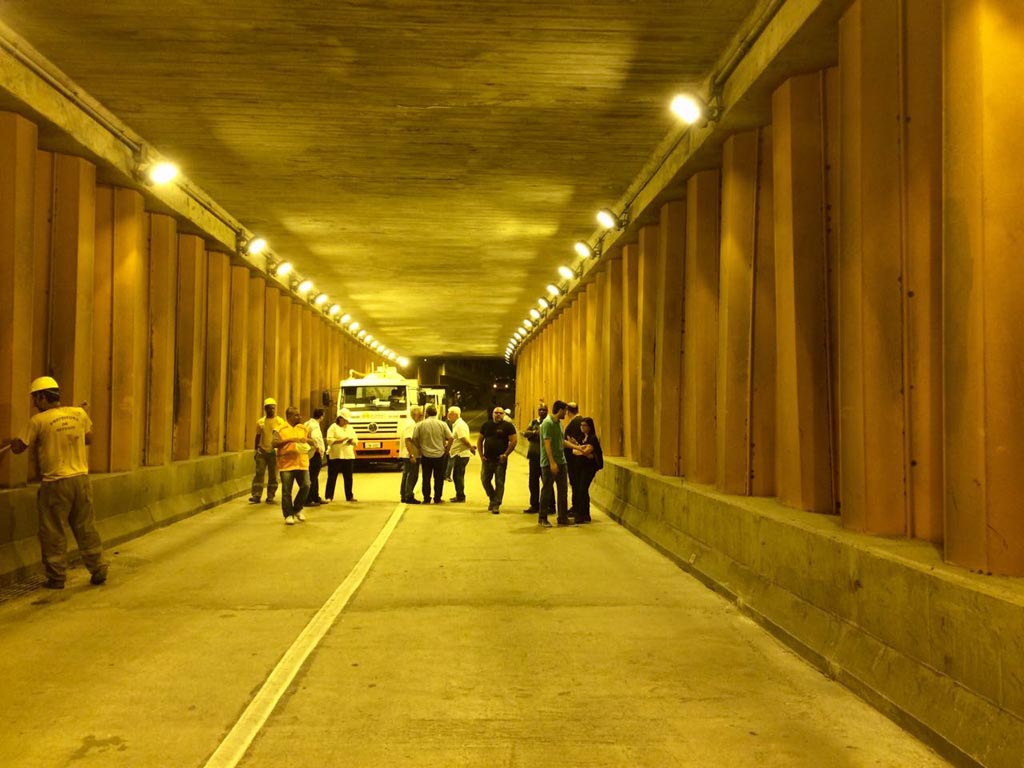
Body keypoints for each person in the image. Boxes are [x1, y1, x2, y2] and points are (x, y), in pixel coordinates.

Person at [0, 376, 108, 589]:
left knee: (52, 530)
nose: (34, 403)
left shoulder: (38, 421)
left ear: (42, 397)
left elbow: (19, 448)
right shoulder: (78, 413)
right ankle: (98, 567)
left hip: (55, 483)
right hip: (81, 480)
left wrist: (9, 442)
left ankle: (57, 577)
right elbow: (89, 438)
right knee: (86, 526)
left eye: (35, 398)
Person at [273, 406, 315, 525]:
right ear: (289, 416)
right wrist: (290, 440)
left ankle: (297, 508)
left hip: (302, 463)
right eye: (296, 415)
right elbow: (274, 443)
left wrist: (308, 441)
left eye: (299, 414)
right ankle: (288, 514)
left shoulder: (303, 428)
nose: (299, 417)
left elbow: (311, 441)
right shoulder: (280, 429)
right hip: (287, 465)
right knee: (287, 491)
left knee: (306, 486)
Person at [476, 405, 518, 514]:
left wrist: (505, 454)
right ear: (492, 414)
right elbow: (480, 440)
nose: (498, 414)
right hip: (487, 459)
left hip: (500, 460)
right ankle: (492, 497)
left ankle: (496, 504)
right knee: (485, 480)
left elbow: (514, 441)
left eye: (500, 413)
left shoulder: (508, 426)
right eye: (496, 413)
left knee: (499, 482)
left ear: (503, 415)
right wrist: (481, 455)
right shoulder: (486, 425)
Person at [411, 404, 452, 504]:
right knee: (438, 478)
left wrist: (419, 447)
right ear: (436, 413)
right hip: (439, 455)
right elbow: (451, 437)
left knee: (426, 478)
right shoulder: (442, 424)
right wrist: (447, 450)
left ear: (426, 413)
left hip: (426, 455)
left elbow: (414, 438)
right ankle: (437, 498)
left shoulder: (420, 424)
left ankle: (426, 498)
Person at [565, 416, 603, 524]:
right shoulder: (581, 437)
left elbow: (587, 451)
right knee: (580, 489)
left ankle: (582, 514)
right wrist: (580, 447)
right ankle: (584, 513)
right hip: (580, 467)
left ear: (589, 427)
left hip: (589, 468)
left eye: (584, 425)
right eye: (581, 425)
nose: (582, 427)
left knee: (583, 489)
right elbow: (575, 451)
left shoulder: (592, 438)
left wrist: (579, 447)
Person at [539, 400, 571, 527]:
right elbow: (547, 444)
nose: (566, 413)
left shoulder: (559, 424)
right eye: (565, 411)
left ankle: (562, 517)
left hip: (561, 461)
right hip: (549, 463)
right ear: (560, 410)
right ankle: (542, 518)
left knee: (563, 490)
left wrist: (578, 447)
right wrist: (552, 463)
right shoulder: (548, 423)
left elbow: (561, 441)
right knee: (547, 490)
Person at [250, 397, 286, 504]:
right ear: (265, 409)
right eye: (269, 408)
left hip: (274, 452)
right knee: (259, 473)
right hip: (262, 450)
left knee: (273, 475)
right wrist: (256, 450)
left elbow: (282, 436)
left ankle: (271, 495)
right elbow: (257, 436)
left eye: (273, 408)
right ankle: (256, 495)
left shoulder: (280, 422)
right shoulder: (261, 422)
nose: (271, 410)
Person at [325, 408, 358, 503]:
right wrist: (341, 440)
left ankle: (349, 496)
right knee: (332, 477)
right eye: (344, 420)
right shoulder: (333, 427)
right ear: (340, 418)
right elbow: (329, 440)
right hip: (336, 456)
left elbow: (356, 440)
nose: (346, 422)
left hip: (348, 455)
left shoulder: (350, 428)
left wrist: (351, 441)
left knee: (348, 477)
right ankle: (329, 496)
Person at [445, 406, 476, 502]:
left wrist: (471, 447)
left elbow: (463, 439)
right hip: (458, 454)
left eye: (449, 414)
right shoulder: (457, 424)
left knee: (458, 476)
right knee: (457, 476)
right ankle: (459, 495)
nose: (448, 416)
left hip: (461, 454)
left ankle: (461, 496)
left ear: (454, 415)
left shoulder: (460, 425)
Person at [521, 402, 548, 513]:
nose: (542, 412)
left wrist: (533, 434)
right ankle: (534, 505)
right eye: (540, 410)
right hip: (533, 456)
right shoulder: (533, 422)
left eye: (544, 410)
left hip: (545, 456)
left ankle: (549, 505)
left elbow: (544, 436)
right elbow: (525, 433)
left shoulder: (548, 422)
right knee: (533, 482)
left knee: (546, 482)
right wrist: (535, 433)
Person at [563, 401, 584, 516]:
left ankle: (577, 508)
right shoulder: (580, 420)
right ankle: (577, 507)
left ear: (568, 412)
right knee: (577, 484)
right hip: (576, 458)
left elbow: (571, 440)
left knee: (576, 483)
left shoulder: (575, 423)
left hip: (574, 459)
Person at [400, 405, 424, 504]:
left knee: (406, 474)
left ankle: (404, 495)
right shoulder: (411, 425)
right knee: (412, 476)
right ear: (415, 414)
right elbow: (408, 440)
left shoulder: (407, 423)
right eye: (420, 415)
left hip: (406, 453)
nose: (421, 417)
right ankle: (409, 495)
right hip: (410, 454)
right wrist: (412, 455)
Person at [304, 408, 326, 506]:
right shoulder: (315, 426)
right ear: (321, 416)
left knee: (313, 477)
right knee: (313, 477)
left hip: (308, 453)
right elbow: (315, 437)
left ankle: (315, 497)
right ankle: (308, 499)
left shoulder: (307, 423)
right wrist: (318, 448)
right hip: (315, 453)